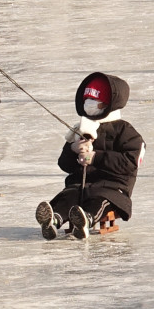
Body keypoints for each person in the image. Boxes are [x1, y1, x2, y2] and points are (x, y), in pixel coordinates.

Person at [35, 73, 145, 240]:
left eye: (95, 101)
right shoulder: (80, 129)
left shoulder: (125, 131)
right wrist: (72, 149)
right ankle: (54, 220)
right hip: (80, 185)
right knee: (68, 196)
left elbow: (130, 162)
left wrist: (95, 157)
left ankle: (86, 219)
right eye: (86, 100)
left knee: (100, 200)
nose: (89, 104)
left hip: (113, 188)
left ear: (110, 104)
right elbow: (64, 165)